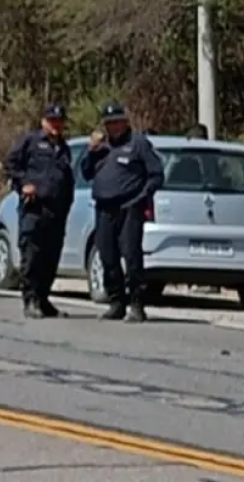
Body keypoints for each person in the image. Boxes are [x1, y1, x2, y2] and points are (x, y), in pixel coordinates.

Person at [79, 102, 165, 322]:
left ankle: (136, 303)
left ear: (124, 122)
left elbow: (156, 174)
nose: (113, 127)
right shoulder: (101, 147)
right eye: (109, 123)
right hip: (104, 208)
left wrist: (141, 197)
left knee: (131, 254)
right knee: (107, 255)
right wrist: (90, 151)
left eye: (117, 122)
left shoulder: (138, 143)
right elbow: (86, 173)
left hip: (129, 207)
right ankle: (116, 302)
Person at [2, 104, 75, 319]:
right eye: (52, 121)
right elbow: (10, 165)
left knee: (50, 257)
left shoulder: (63, 147)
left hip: (56, 210)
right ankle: (30, 299)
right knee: (32, 255)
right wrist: (23, 184)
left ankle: (44, 299)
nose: (56, 125)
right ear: (43, 121)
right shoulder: (30, 141)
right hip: (34, 208)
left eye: (59, 121)